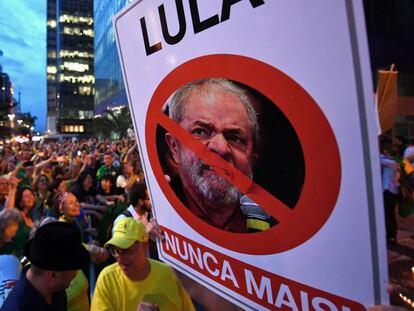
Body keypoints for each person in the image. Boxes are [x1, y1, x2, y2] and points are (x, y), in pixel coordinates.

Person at [165, 78, 273, 233]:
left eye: (235, 138)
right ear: (174, 148)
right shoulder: (160, 217)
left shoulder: (271, 224)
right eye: (200, 132)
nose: (221, 148)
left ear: (252, 159)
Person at [91, 217, 194, 311]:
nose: (121, 259)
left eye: (127, 251)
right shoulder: (107, 279)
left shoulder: (170, 275)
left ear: (144, 246)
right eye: (117, 251)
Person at [1, 221, 89, 311]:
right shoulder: (17, 307)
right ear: (53, 275)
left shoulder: (57, 292)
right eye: (74, 267)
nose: (77, 272)